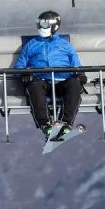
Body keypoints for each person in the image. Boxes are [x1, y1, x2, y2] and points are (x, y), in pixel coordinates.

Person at [14, 10, 84, 140]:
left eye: (45, 25)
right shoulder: (32, 44)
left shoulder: (65, 45)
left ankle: (66, 122)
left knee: (74, 84)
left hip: (63, 81)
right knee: (34, 85)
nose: (41, 27)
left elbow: (76, 66)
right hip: (42, 81)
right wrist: (24, 74)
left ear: (54, 26)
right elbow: (19, 66)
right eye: (39, 24)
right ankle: (44, 124)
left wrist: (80, 75)